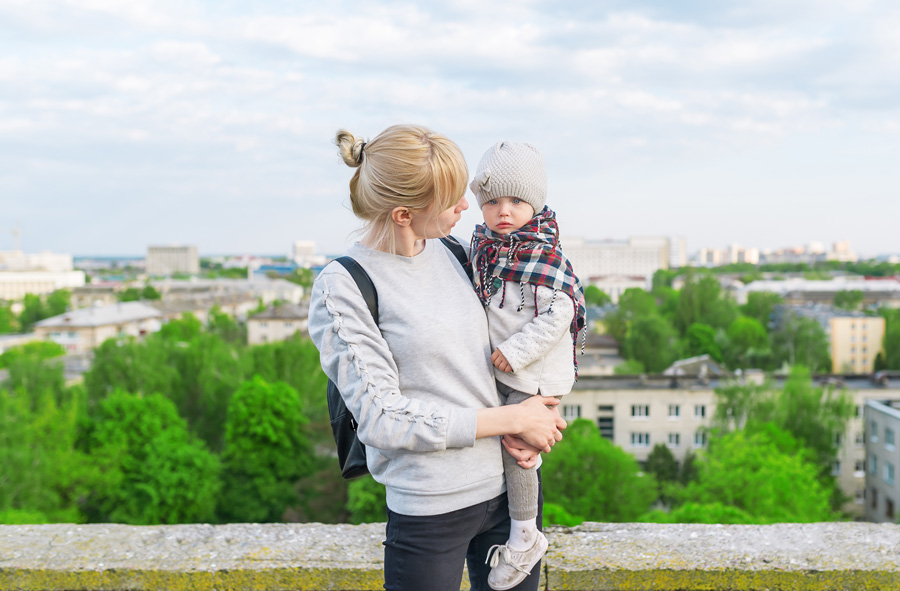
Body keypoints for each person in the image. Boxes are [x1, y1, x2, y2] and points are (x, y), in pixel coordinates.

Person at [307, 124, 568, 591]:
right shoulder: (345, 285)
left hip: (511, 493)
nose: (468, 207)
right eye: (452, 201)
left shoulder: (457, 253)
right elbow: (383, 419)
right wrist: (512, 419)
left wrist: (539, 413)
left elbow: (518, 341)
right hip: (431, 509)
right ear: (405, 214)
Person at [468, 141, 586, 590]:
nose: (503, 211)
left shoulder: (543, 254)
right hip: (508, 367)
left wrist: (514, 352)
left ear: (534, 203)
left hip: (530, 370)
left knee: (517, 446)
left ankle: (524, 536)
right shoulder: (486, 250)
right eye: (492, 201)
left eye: (515, 201)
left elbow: (560, 314)